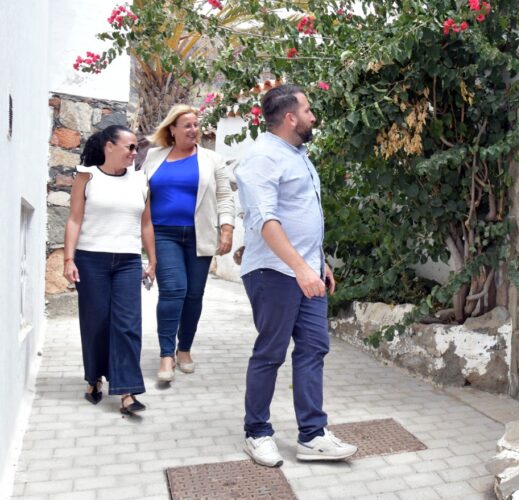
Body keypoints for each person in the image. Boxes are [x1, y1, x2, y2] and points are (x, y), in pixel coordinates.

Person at [234, 84, 357, 466]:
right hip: (273, 273)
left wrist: (316, 262)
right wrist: (300, 267)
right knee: (270, 353)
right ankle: (257, 432)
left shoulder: (297, 155)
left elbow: (301, 215)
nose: (313, 117)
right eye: (307, 110)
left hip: (306, 272)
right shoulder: (261, 158)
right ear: (290, 117)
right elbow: (266, 221)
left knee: (314, 349)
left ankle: (312, 435)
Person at [63, 124, 155, 414]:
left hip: (127, 261)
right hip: (91, 260)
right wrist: (69, 259)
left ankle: (127, 391)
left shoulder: (141, 180)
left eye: (135, 148)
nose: (134, 152)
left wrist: (152, 260)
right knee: (96, 324)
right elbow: (74, 220)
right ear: (109, 147)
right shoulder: (86, 176)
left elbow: (146, 224)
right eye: (129, 147)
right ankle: (94, 378)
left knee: (128, 325)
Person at [143, 105, 235, 383]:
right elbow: (141, 194)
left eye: (196, 125)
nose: (194, 130)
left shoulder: (212, 159)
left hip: (200, 235)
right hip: (164, 234)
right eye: (187, 125)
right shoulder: (154, 157)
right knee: (173, 291)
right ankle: (166, 355)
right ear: (172, 129)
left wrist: (227, 229)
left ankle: (185, 349)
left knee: (194, 296)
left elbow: (224, 196)